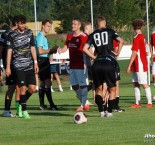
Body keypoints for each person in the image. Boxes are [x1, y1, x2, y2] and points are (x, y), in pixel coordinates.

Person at [83, 16, 123, 117]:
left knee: (98, 89)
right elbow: (121, 41)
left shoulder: (93, 34)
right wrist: (117, 53)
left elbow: (85, 48)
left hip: (97, 63)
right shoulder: (110, 31)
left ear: (97, 24)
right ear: (105, 23)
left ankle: (101, 112)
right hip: (109, 61)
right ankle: (109, 112)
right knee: (112, 88)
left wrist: (93, 57)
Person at [6, 14, 39, 119]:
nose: (23, 25)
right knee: (22, 88)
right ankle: (24, 111)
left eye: (24, 23)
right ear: (17, 23)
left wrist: (35, 62)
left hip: (29, 65)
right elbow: (9, 51)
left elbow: (33, 48)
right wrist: (7, 66)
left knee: (33, 88)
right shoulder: (12, 35)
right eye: (21, 23)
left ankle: (21, 103)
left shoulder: (29, 33)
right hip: (18, 65)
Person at [58, 18, 90, 111]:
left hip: (81, 65)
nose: (73, 25)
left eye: (75, 24)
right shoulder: (69, 36)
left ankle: (83, 105)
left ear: (79, 26)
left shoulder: (83, 36)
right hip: (72, 65)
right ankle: (85, 102)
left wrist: (90, 59)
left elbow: (88, 49)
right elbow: (65, 47)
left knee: (82, 85)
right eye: (72, 24)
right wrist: (61, 50)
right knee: (74, 85)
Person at [126, 19, 152, 108]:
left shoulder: (137, 38)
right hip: (138, 63)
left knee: (143, 83)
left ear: (133, 28)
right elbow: (147, 48)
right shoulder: (142, 36)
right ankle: (137, 103)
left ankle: (149, 102)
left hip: (139, 64)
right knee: (135, 82)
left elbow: (134, 52)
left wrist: (129, 65)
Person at [0, 15, 21, 117]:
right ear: (17, 24)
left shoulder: (19, 34)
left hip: (18, 63)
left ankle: (19, 110)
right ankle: (7, 111)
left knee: (19, 86)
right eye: (22, 23)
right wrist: (2, 65)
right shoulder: (6, 34)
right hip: (10, 64)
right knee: (12, 87)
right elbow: (0, 50)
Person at [35, 19, 58, 110]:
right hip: (42, 60)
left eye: (50, 26)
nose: (49, 28)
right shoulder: (40, 36)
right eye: (48, 26)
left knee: (43, 83)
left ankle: (42, 105)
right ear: (43, 26)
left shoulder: (43, 37)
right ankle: (51, 105)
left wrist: (50, 52)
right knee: (47, 82)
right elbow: (40, 51)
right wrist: (50, 50)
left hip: (43, 60)